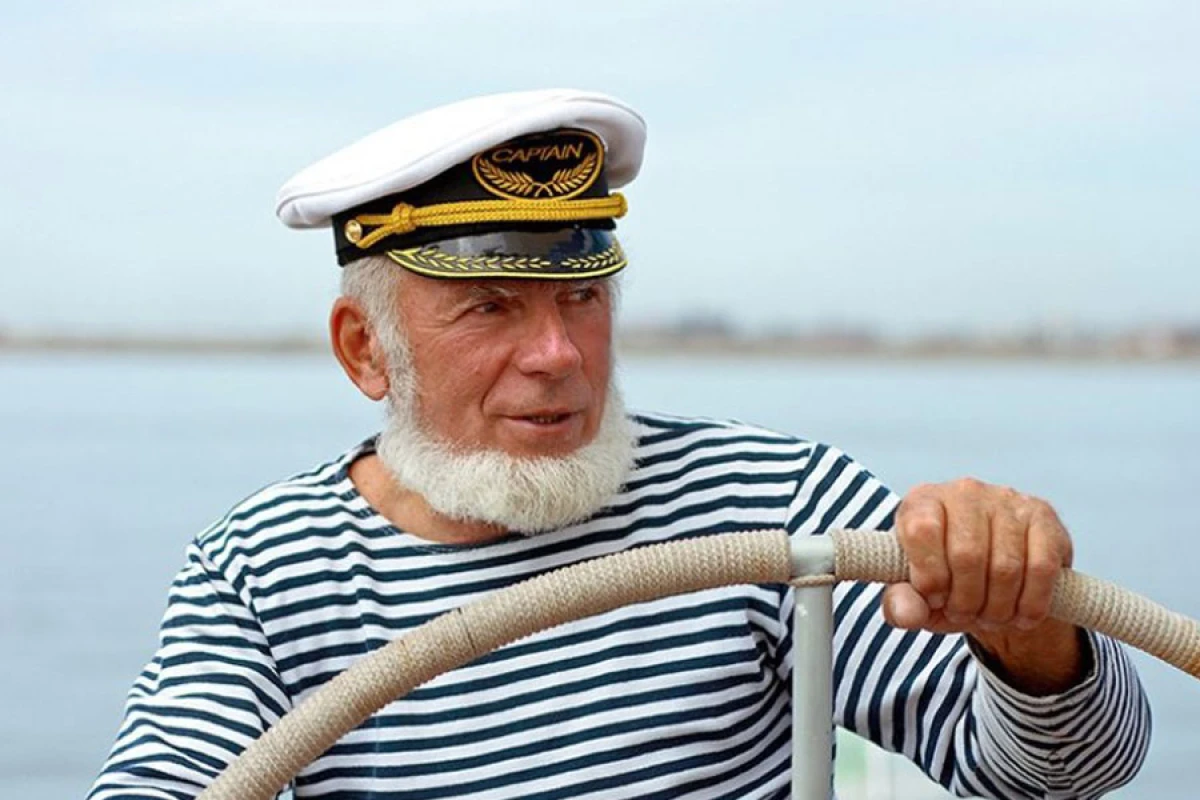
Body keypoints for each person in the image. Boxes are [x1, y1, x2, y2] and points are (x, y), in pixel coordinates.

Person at [89, 89, 1150, 799]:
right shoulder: (260, 567)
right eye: (491, 307)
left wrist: (1024, 632)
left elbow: (1061, 777)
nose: (559, 354)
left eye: (583, 297)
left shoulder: (775, 499)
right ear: (366, 350)